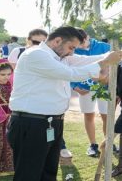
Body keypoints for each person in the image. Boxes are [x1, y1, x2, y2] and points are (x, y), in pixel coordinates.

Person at [7, 26, 122, 181]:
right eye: (71, 47)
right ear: (57, 41)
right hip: (31, 123)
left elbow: (89, 60)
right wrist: (105, 63)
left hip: (52, 122)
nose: (72, 52)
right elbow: (71, 74)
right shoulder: (36, 54)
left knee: (49, 172)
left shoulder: (60, 57)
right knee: (29, 174)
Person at [9, 28, 73, 158]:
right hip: (32, 119)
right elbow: (71, 74)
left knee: (48, 167)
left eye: (43, 42)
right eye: (36, 42)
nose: (40, 45)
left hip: (50, 118)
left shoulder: (55, 57)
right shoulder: (32, 54)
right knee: (30, 168)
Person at [71, 28, 117, 157]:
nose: (79, 46)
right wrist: (75, 86)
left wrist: (109, 80)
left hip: (104, 88)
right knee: (88, 116)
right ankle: (93, 145)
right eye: (76, 43)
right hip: (84, 90)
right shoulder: (72, 50)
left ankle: (109, 143)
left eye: (81, 42)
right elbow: (68, 68)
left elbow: (116, 65)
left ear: (87, 37)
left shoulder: (105, 47)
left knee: (106, 116)